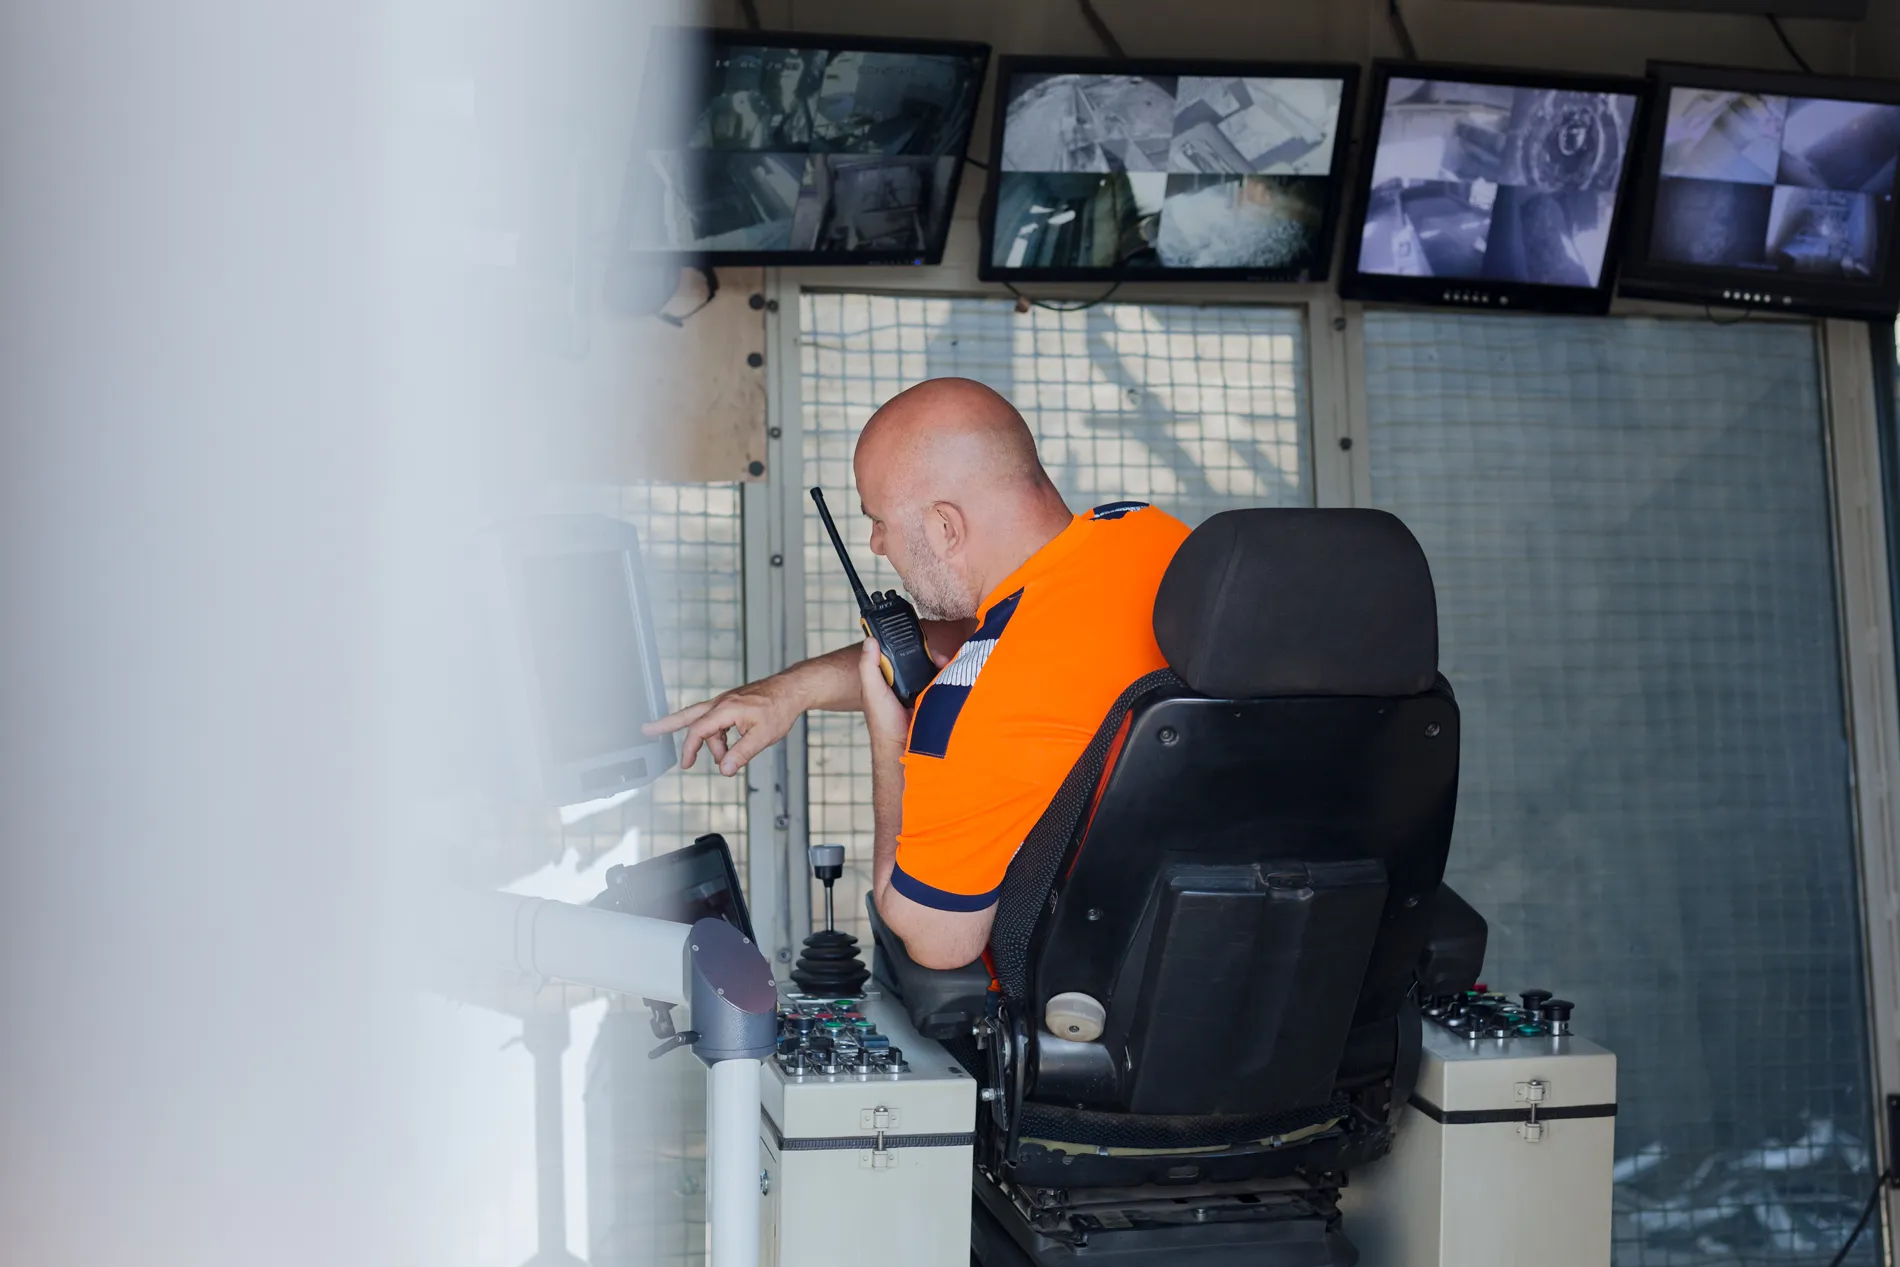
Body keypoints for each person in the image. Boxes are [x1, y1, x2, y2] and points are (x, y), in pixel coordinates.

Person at [645, 378, 1190, 969]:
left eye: (879, 520)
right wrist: (789, 692)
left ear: (945, 527)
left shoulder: (964, 715)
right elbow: (1003, 633)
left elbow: (939, 944)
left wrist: (892, 738)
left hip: (1077, 990)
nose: (876, 545)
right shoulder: (1146, 533)